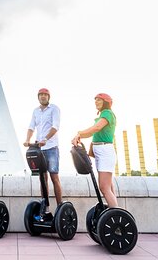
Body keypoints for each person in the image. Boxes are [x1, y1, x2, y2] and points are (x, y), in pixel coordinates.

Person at [72, 93, 118, 208]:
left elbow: (96, 128)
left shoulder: (107, 113)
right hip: (101, 152)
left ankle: (116, 217)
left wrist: (79, 134)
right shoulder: (102, 115)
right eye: (95, 100)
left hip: (105, 152)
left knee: (104, 187)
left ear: (106, 102)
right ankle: (115, 212)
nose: (96, 102)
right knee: (109, 187)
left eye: (99, 100)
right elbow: (94, 132)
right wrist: (80, 136)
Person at [24, 88, 63, 216]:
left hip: (51, 148)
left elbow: (55, 126)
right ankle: (45, 208)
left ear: (48, 97)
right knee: (42, 178)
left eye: (45, 95)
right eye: (41, 95)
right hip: (39, 149)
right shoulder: (35, 111)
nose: (43, 96)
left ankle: (60, 207)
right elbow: (31, 127)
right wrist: (27, 140)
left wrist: (45, 139)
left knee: (54, 177)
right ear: (38, 97)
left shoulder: (54, 109)